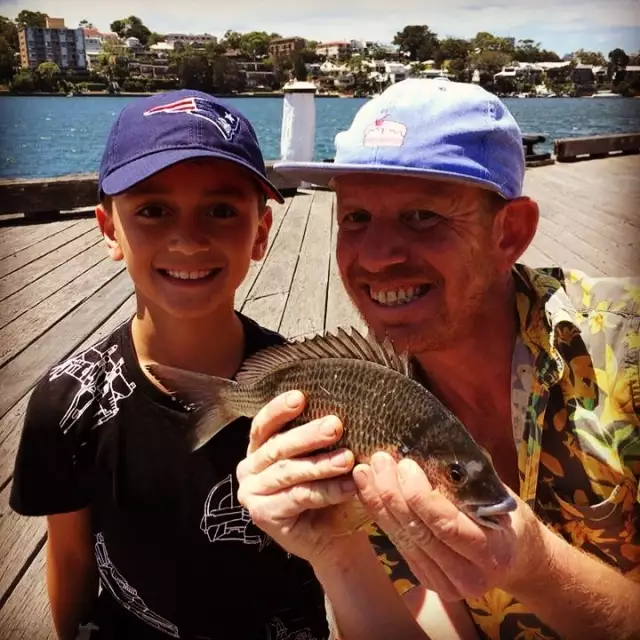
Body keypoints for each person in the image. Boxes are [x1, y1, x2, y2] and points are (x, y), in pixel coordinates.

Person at [9, 89, 431, 640]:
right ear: (110, 228)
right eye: (153, 210)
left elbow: (352, 554)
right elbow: (69, 562)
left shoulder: (307, 394)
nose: (188, 238)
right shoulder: (66, 403)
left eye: (221, 210)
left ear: (260, 232)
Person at [233, 78, 640, 640]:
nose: (376, 257)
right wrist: (336, 551)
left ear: (510, 232)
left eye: (422, 216)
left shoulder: (627, 350)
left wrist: (534, 567)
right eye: (355, 219)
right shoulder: (358, 420)